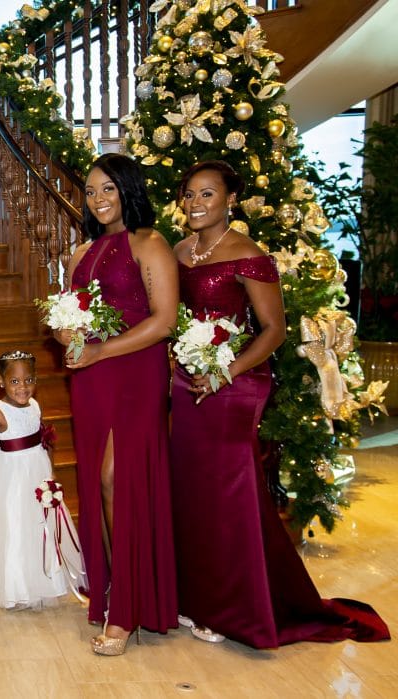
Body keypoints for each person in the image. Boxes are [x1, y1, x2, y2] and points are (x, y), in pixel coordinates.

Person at [170, 160, 390, 648]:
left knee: (227, 493)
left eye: (207, 194)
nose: (196, 203)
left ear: (230, 200)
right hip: (189, 381)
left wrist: (225, 370)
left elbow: (274, 330)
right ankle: (196, 595)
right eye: (189, 194)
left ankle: (234, 607)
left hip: (238, 381)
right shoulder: (180, 251)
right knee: (191, 490)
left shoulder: (249, 254)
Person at [56, 153, 179, 656]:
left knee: (116, 479)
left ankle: (127, 607)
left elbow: (165, 319)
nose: (98, 199)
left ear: (128, 189)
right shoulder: (79, 252)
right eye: (90, 191)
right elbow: (64, 312)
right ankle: (113, 590)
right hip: (90, 377)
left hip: (134, 369)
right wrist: (66, 333)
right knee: (97, 481)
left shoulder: (150, 242)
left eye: (107, 188)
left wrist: (103, 348)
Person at [0, 350, 83, 609]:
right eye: (14, 381)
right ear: (1, 382)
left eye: (29, 380)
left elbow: (45, 439)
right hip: (12, 480)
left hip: (38, 476)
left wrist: (52, 473)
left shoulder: (36, 405)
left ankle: (46, 582)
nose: (22, 387)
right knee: (16, 529)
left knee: (41, 527)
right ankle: (15, 588)